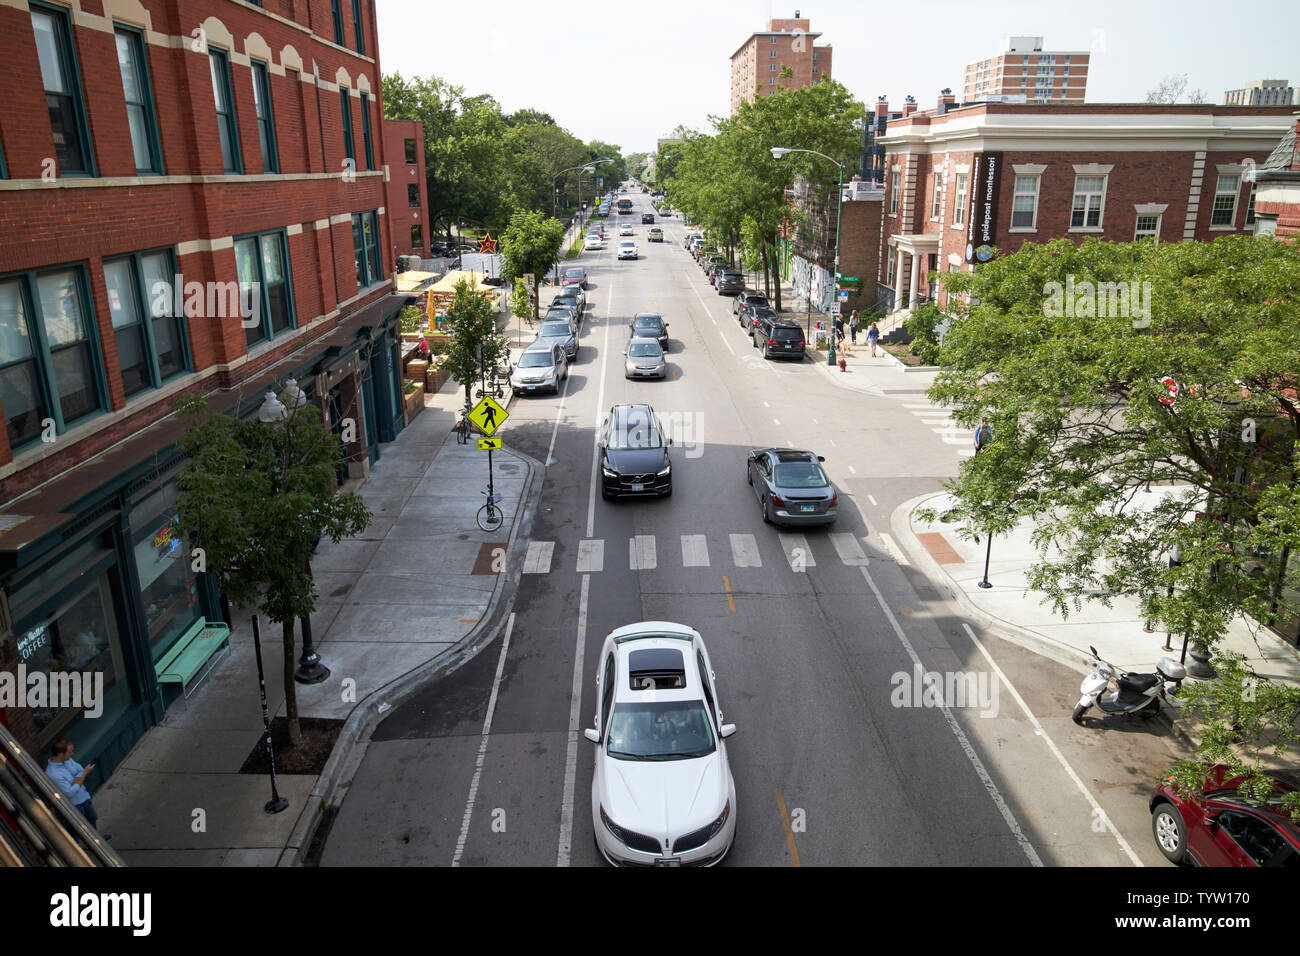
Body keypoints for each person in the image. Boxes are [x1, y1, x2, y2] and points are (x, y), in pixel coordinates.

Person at [45, 739, 106, 835]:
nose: (72, 754)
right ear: (61, 754)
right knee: (77, 830)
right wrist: (83, 775)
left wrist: (77, 781)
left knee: (92, 817)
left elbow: (80, 769)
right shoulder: (53, 773)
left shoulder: (67, 760)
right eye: (69, 752)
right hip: (74, 805)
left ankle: (96, 838)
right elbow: (69, 793)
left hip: (83, 796)